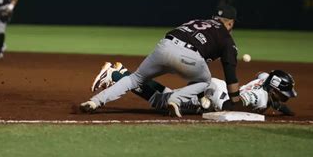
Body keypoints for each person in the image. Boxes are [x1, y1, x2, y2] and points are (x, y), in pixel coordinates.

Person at [80, 4, 241, 117]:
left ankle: (95, 102)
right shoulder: (226, 38)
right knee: (205, 80)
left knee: (134, 79)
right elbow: (230, 74)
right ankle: (175, 100)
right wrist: (235, 102)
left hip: (165, 46)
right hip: (190, 56)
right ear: (230, 23)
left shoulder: (198, 21)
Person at [90, 62, 297, 116]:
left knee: (167, 95)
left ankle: (121, 73)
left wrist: (282, 107)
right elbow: (230, 104)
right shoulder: (260, 98)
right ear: (274, 88)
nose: (285, 98)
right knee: (162, 102)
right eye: (283, 94)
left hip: (215, 85)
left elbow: (263, 77)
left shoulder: (265, 80)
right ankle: (115, 75)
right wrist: (208, 105)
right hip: (215, 95)